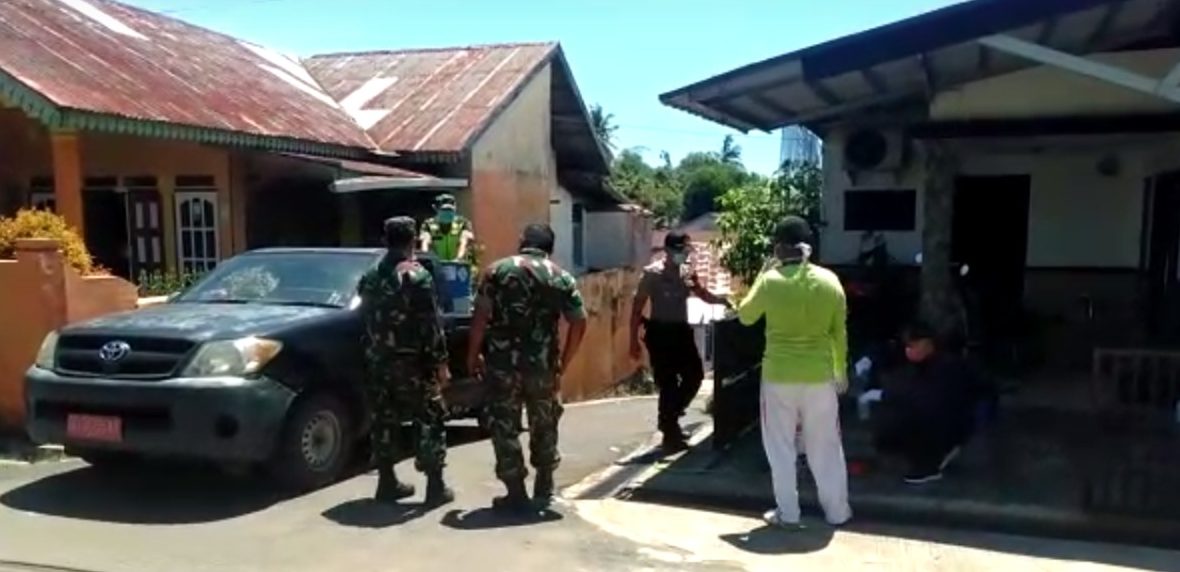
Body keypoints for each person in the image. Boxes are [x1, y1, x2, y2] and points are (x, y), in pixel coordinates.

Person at [735, 216, 852, 529]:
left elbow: (745, 316)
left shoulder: (771, 281)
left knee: (781, 446)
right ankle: (837, 512)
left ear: (778, 248)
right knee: (826, 445)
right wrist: (840, 372)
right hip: (821, 378)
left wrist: (761, 276)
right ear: (808, 247)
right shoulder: (830, 281)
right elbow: (838, 333)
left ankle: (788, 513)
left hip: (779, 377)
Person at [467, 223, 588, 512]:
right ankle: (544, 483)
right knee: (544, 422)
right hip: (543, 366)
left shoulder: (496, 271)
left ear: (522, 242)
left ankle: (515, 492)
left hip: (503, 365)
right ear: (550, 247)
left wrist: (473, 356)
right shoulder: (561, 277)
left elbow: (481, 317)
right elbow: (579, 322)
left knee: (505, 424)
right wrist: (563, 362)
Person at [358, 216, 454, 505]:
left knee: (383, 419)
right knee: (428, 419)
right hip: (413, 364)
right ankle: (435, 486)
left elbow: (365, 318)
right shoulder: (417, 276)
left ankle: (387, 483)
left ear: (385, 241)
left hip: (378, 361)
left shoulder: (370, 277)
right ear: (413, 240)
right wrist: (441, 364)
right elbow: (430, 326)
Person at [630, 231, 730, 451]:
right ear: (667, 250)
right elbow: (637, 308)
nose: (683, 254)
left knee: (695, 376)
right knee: (668, 384)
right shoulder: (652, 274)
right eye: (679, 250)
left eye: (685, 250)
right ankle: (670, 433)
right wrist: (632, 341)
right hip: (660, 333)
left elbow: (701, 293)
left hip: (681, 332)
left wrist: (721, 301)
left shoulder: (685, 272)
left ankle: (670, 417)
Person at [874, 321, 987, 484]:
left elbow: (934, 399)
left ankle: (930, 462)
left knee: (915, 417)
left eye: (913, 346)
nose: (909, 351)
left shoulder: (947, 367)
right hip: (934, 414)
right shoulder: (917, 366)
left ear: (928, 344)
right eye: (907, 347)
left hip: (950, 419)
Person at [419, 194, 475, 261]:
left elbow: (464, 242)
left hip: (458, 265)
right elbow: (425, 243)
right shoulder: (428, 224)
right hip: (436, 266)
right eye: (444, 210)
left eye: (450, 210)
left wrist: (458, 259)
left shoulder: (463, 223)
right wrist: (427, 258)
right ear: (436, 209)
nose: (447, 213)